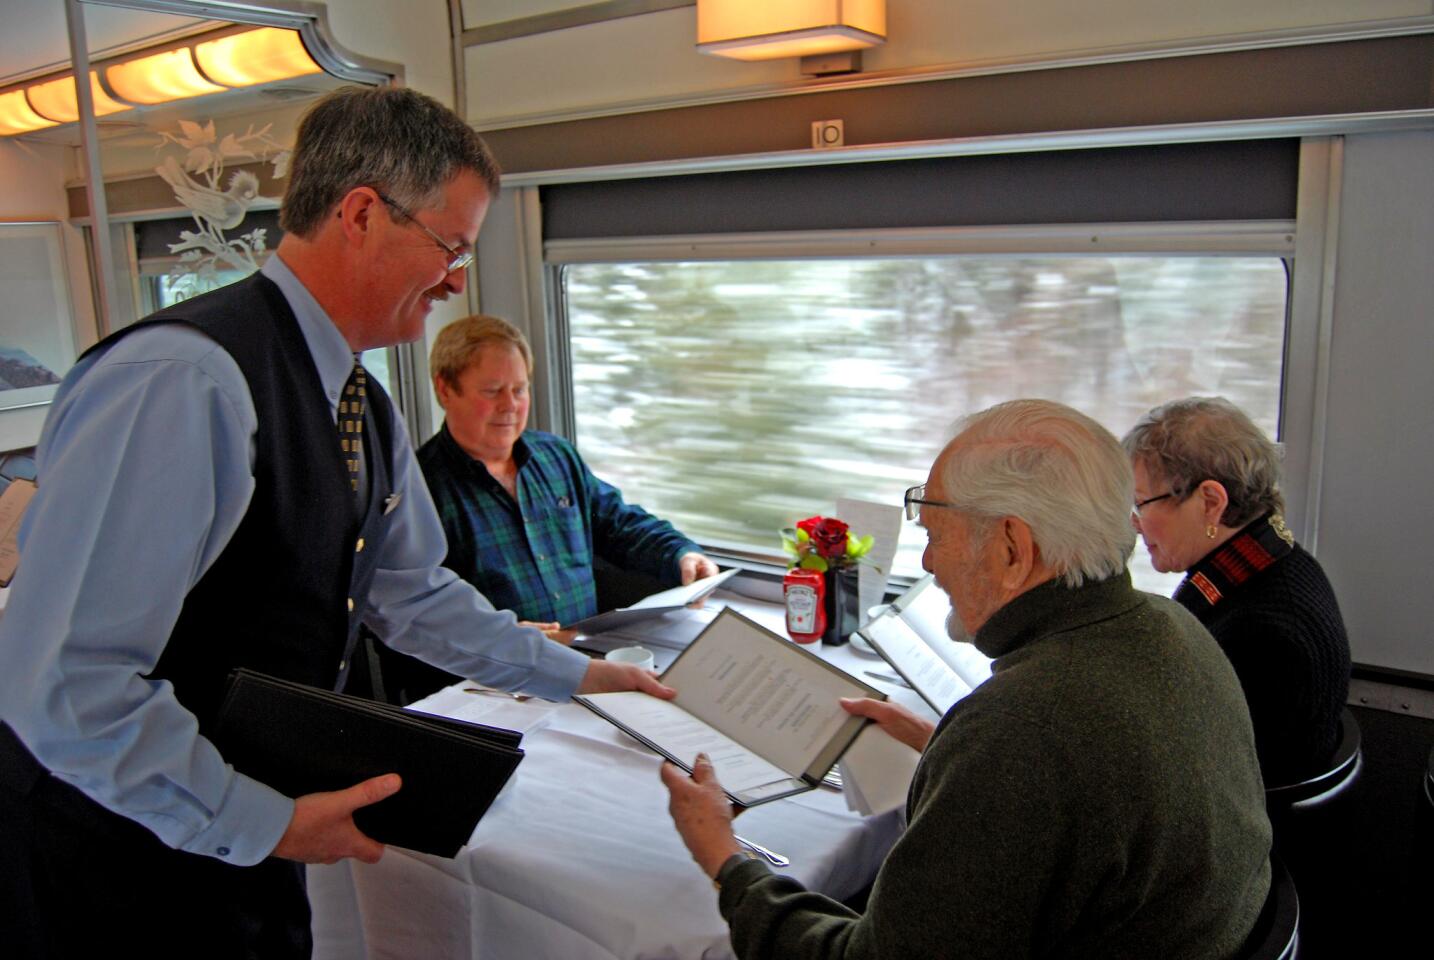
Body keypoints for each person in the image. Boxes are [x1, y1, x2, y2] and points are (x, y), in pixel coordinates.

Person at [0, 86, 668, 959]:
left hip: (237, 824)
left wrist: (578, 677)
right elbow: (64, 682)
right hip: (113, 848)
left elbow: (411, 592)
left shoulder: (363, 401)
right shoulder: (184, 383)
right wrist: (261, 821)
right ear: (361, 214)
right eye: (451, 247)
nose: (459, 281)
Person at [662, 399, 1272, 960]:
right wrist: (943, 746)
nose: (927, 562)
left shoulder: (1019, 729)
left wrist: (725, 859)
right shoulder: (1175, 627)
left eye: (935, 535)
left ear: (1012, 548)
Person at [381, 314, 716, 699]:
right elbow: (415, 620)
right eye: (492, 391)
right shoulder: (419, 489)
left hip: (589, 663)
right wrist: (507, 641)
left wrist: (679, 552)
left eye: (520, 390)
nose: (510, 406)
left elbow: (619, 523)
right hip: (495, 688)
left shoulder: (556, 457)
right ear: (445, 389)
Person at [1123, 396, 1352, 786]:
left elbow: (1196, 774)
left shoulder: (1262, 634)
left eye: (1142, 502)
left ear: (1211, 502)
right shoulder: (1273, 561)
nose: (1135, 523)